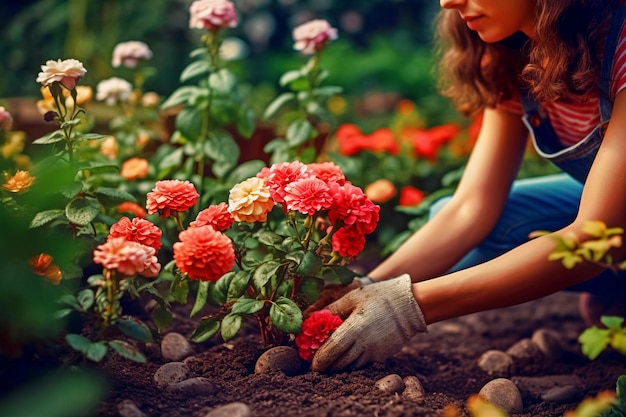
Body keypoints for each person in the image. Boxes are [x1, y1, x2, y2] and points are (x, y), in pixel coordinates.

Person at [311, 0, 626, 372]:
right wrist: (365, 287)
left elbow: (594, 236)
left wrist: (407, 307)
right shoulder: (514, 53)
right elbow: (470, 209)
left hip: (608, 229)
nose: (448, 2)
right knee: (446, 215)